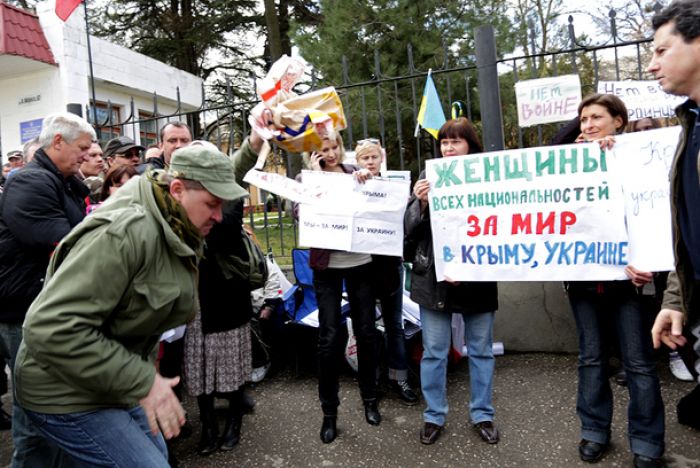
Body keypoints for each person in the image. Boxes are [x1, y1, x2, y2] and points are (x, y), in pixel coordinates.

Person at [13, 143, 246, 467]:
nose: (219, 216)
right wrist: (145, 381)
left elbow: (211, 175)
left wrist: (257, 142)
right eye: (212, 204)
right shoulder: (124, 234)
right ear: (177, 189)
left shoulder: (170, 209)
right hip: (62, 391)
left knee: (157, 456)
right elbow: (48, 328)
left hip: (108, 380)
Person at [566, 93, 664, 467]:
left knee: (638, 363)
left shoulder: (637, 158)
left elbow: (653, 211)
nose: (588, 125)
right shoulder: (570, 160)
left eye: (596, 118)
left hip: (631, 282)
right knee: (591, 359)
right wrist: (572, 161)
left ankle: (647, 443)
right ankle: (593, 431)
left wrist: (650, 262)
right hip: (583, 281)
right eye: (583, 119)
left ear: (618, 121)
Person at [0, 112, 95, 467]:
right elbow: (68, 241)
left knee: (53, 409)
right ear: (57, 142)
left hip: (43, 309)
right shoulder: (30, 181)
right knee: (34, 419)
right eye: (82, 149)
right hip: (25, 312)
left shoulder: (63, 179)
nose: (86, 156)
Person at [404, 117, 499, 446]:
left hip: (478, 278)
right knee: (434, 352)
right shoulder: (426, 178)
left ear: (470, 145)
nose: (448, 148)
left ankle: (482, 413)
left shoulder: (489, 176)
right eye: (444, 142)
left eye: (455, 141)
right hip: (434, 280)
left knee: (481, 351)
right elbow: (409, 233)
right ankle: (434, 415)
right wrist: (421, 203)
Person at [182, 136, 263, 457]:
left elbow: (225, 230)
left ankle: (233, 423)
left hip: (227, 295)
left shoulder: (229, 195)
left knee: (231, 368)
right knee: (199, 367)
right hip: (195, 299)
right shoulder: (184, 194)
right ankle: (208, 427)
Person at [298, 133, 381, 444]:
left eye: (335, 147)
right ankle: (329, 413)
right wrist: (317, 182)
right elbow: (298, 214)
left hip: (361, 262)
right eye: (324, 150)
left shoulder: (355, 173)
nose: (331, 154)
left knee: (367, 332)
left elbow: (381, 204)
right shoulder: (307, 178)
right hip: (327, 268)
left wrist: (369, 181)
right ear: (315, 153)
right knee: (330, 337)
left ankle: (370, 400)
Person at [647, 0, 700, 431]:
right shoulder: (691, 126)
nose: (651, 65)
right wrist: (676, 301)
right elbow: (689, 228)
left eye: (662, 51)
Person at [353, 138, 419, 405]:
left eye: (374, 158)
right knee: (366, 327)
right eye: (364, 158)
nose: (370, 163)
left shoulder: (394, 186)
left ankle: (399, 377)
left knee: (394, 325)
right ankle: (372, 380)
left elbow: (406, 214)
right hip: (361, 266)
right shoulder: (352, 184)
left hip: (390, 264)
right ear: (357, 162)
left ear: (382, 160)